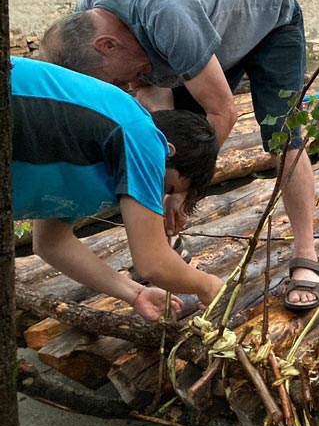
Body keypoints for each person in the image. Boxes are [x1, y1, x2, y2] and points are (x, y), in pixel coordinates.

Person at [40, 0, 319, 312]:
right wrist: (163, 184)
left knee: (281, 136)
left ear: (107, 45)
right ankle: (168, 247)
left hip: (268, 23)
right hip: (200, 30)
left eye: (114, 81)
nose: (122, 87)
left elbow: (223, 111)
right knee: (172, 135)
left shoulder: (169, 14)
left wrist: (186, 189)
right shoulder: (88, 18)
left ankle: (306, 251)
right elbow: (158, 118)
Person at [11, 56, 222, 321]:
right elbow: (153, 263)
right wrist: (209, 286)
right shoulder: (143, 136)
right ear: (168, 150)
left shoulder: (97, 157)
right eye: (166, 186)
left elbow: (52, 244)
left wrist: (135, 294)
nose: (156, 195)